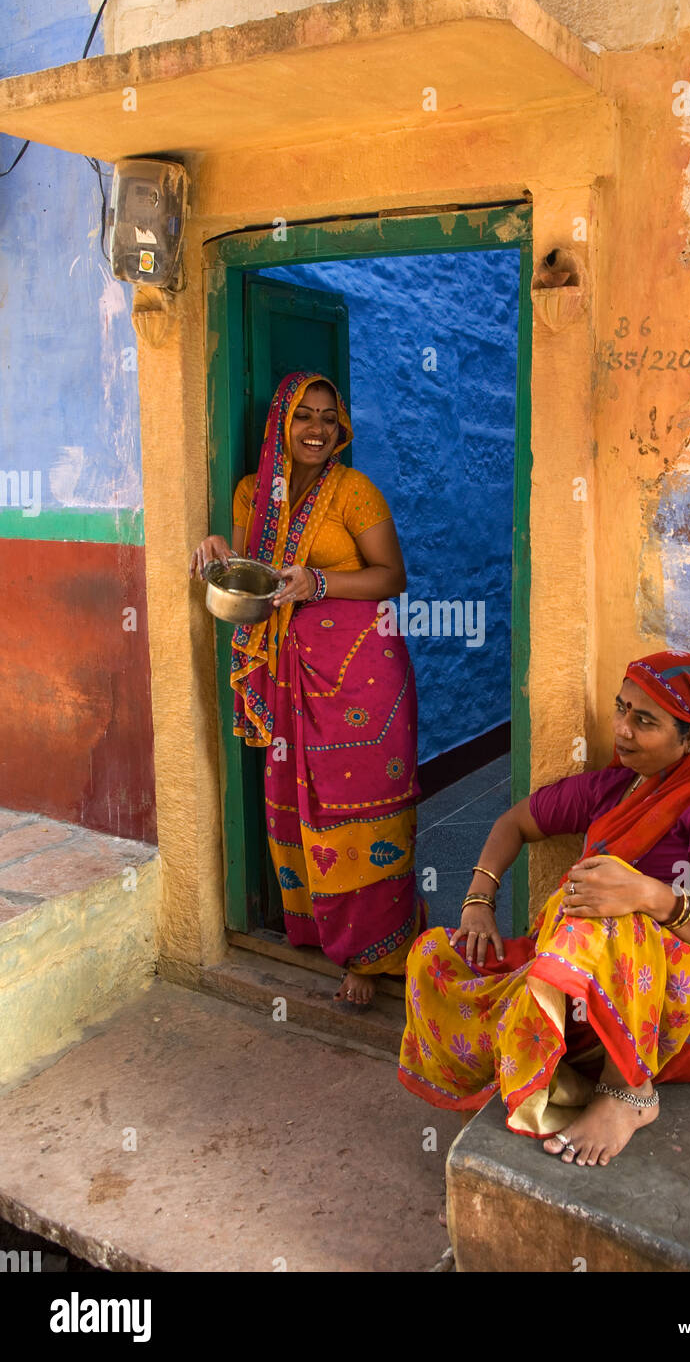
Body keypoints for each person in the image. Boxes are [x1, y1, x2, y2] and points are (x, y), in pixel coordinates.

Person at [398, 650, 690, 1165]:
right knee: (437, 960)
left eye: (644, 721)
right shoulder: (617, 787)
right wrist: (478, 901)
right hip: (617, 981)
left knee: (606, 914)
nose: (621, 729)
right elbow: (514, 823)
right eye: (621, 709)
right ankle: (560, 1061)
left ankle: (629, 1094)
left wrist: (641, 892)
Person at [190, 370, 424, 1009]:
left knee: (364, 812)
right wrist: (216, 546)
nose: (317, 429)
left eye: (327, 417)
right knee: (300, 804)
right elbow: (251, 574)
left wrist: (318, 583)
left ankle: (374, 955)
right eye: (303, 416)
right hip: (293, 674)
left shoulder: (356, 492)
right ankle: (324, 933)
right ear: (281, 425)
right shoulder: (252, 494)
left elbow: (391, 576)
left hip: (362, 677)